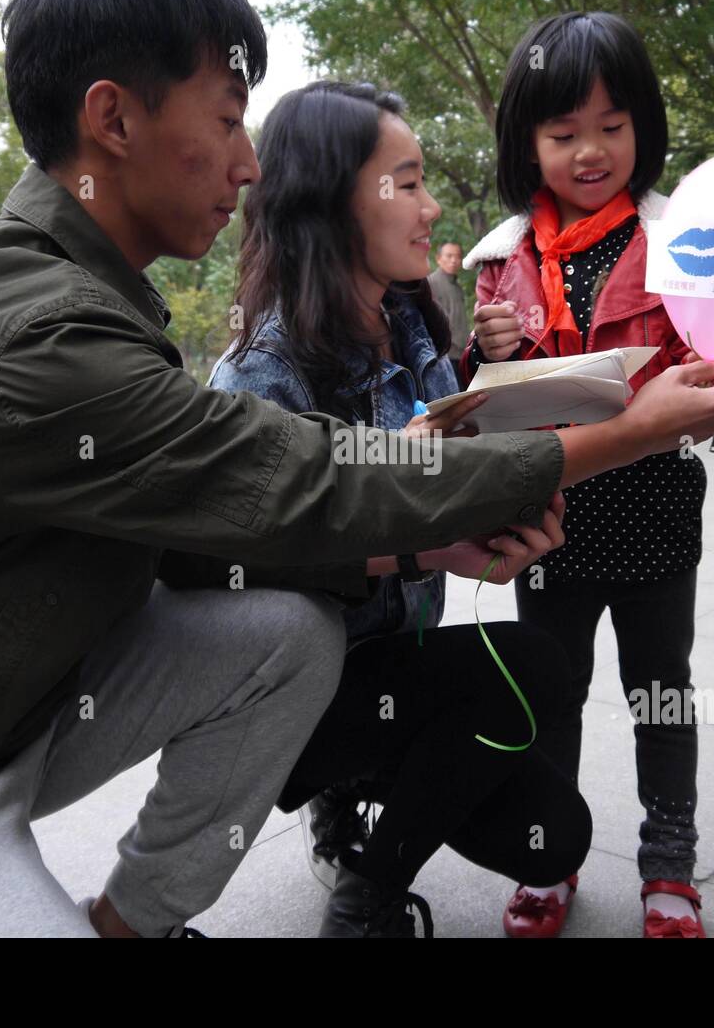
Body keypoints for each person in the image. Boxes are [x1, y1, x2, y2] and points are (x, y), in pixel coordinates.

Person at [0, 0, 714, 939]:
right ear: (114, 118)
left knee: (287, 636)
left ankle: (130, 923)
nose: (246, 164)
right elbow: (304, 483)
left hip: (22, 708)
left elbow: (208, 542)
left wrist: (428, 544)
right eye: (228, 121)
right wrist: (631, 431)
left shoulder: (111, 292)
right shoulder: (42, 335)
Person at [209, 81, 593, 937]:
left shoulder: (417, 324)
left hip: (395, 659)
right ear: (331, 200)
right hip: (290, 694)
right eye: (408, 182)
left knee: (555, 836)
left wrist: (505, 507)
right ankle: (364, 896)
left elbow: (447, 475)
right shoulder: (260, 375)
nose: (431, 207)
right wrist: (431, 547)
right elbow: (239, 563)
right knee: (528, 661)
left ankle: (358, 797)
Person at [461, 12, 714, 938]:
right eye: (564, 131)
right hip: (548, 518)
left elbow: (709, 358)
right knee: (548, 699)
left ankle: (670, 870)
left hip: (655, 514)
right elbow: (481, 399)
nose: (589, 151)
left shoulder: (682, 238)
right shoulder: (499, 259)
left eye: (612, 126)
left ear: (643, 127)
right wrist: (479, 349)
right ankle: (548, 858)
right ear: (527, 140)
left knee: (661, 695)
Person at [427, 241, 468, 383]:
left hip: (461, 354)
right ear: (438, 258)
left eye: (457, 256)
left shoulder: (457, 286)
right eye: (449, 256)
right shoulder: (430, 283)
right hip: (444, 355)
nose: (454, 260)